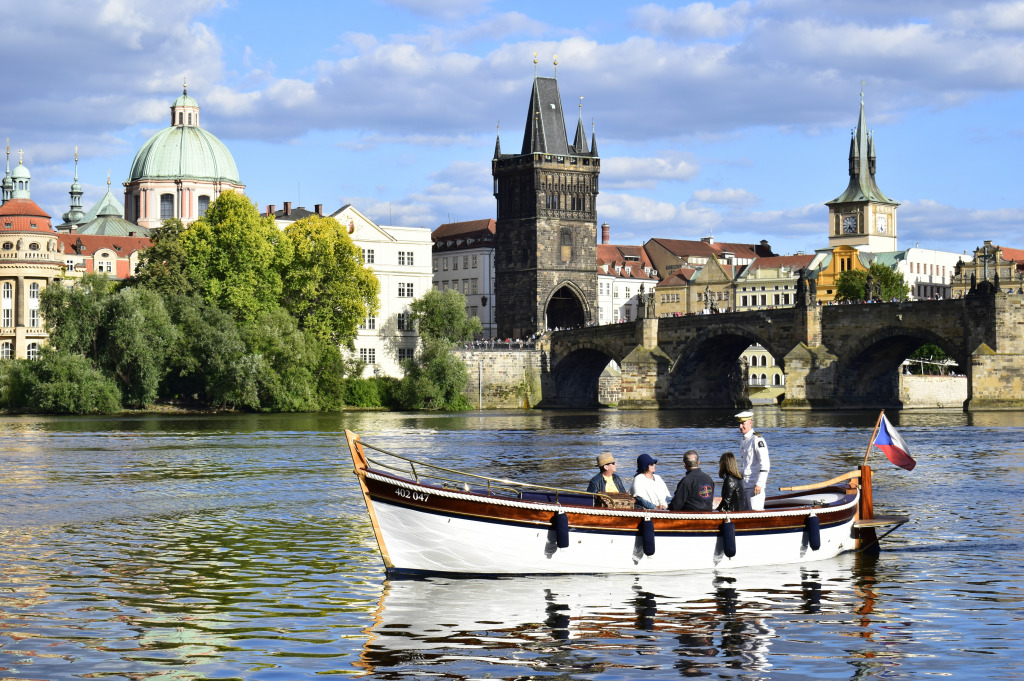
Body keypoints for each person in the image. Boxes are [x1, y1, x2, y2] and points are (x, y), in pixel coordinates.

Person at [735, 410, 770, 511]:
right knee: (746, 512)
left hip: (755, 485)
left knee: (755, 512)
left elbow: (765, 464)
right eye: (739, 423)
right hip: (745, 484)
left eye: (743, 423)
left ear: (750, 422)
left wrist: (759, 483)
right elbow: (746, 465)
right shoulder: (744, 440)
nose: (740, 426)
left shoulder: (757, 440)